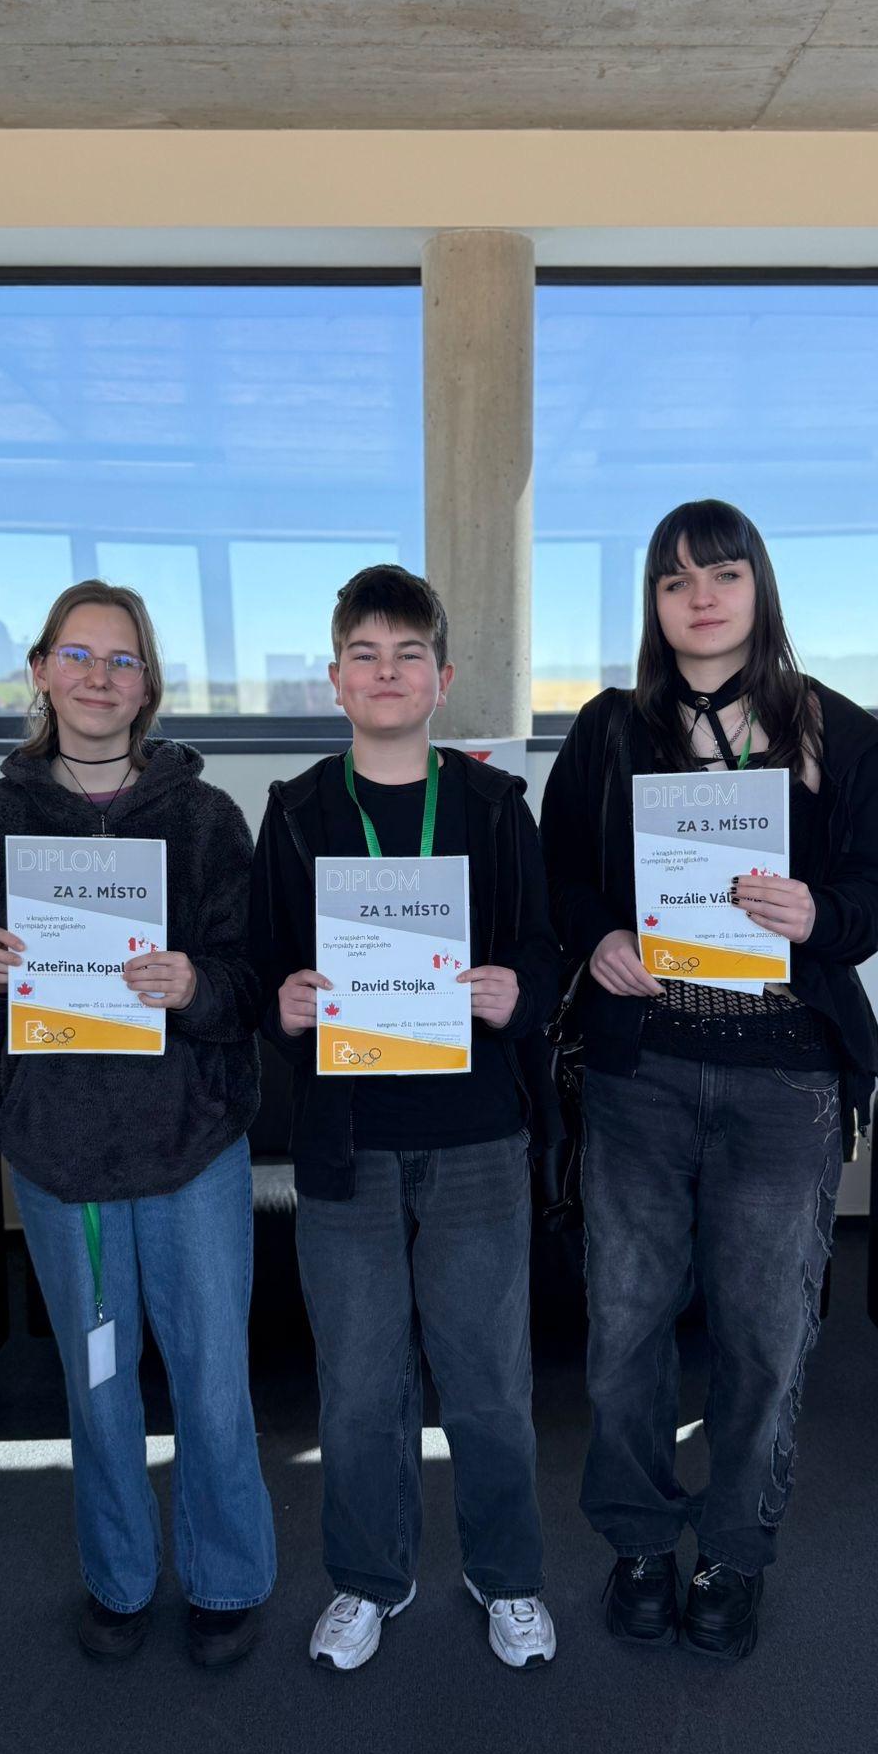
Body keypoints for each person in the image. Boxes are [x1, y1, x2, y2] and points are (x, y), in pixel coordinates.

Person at [541, 500, 878, 1659]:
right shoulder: (609, 730)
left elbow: (876, 892)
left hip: (784, 1077)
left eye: (724, 572)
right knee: (626, 1326)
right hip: (640, 1070)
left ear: (760, 587)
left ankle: (735, 1550)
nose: (700, 595)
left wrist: (818, 914)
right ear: (653, 604)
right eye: (675, 579)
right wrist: (598, 936)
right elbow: (558, 875)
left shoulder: (831, 730)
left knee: (762, 1335)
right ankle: (640, 1539)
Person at [0, 579, 275, 1668]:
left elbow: (251, 982)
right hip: (61, 1153)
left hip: (191, 1144)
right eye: (77, 655)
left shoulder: (206, 818)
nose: (97, 676)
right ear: (40, 671)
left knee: (213, 1381)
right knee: (97, 1380)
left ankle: (227, 1576)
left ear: (147, 683)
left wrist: (195, 983)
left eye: (121, 659)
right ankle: (120, 1578)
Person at [250, 564, 562, 1672]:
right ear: (335, 679)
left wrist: (518, 991)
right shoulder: (295, 812)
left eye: (408, 655)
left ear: (444, 678)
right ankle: (369, 1579)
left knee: (488, 1383)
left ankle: (507, 1576)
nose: (387, 673)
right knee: (358, 1387)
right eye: (365, 655)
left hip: (476, 1133)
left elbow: (545, 953)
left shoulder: (494, 806)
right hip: (346, 1139)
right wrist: (281, 1002)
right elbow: (259, 965)